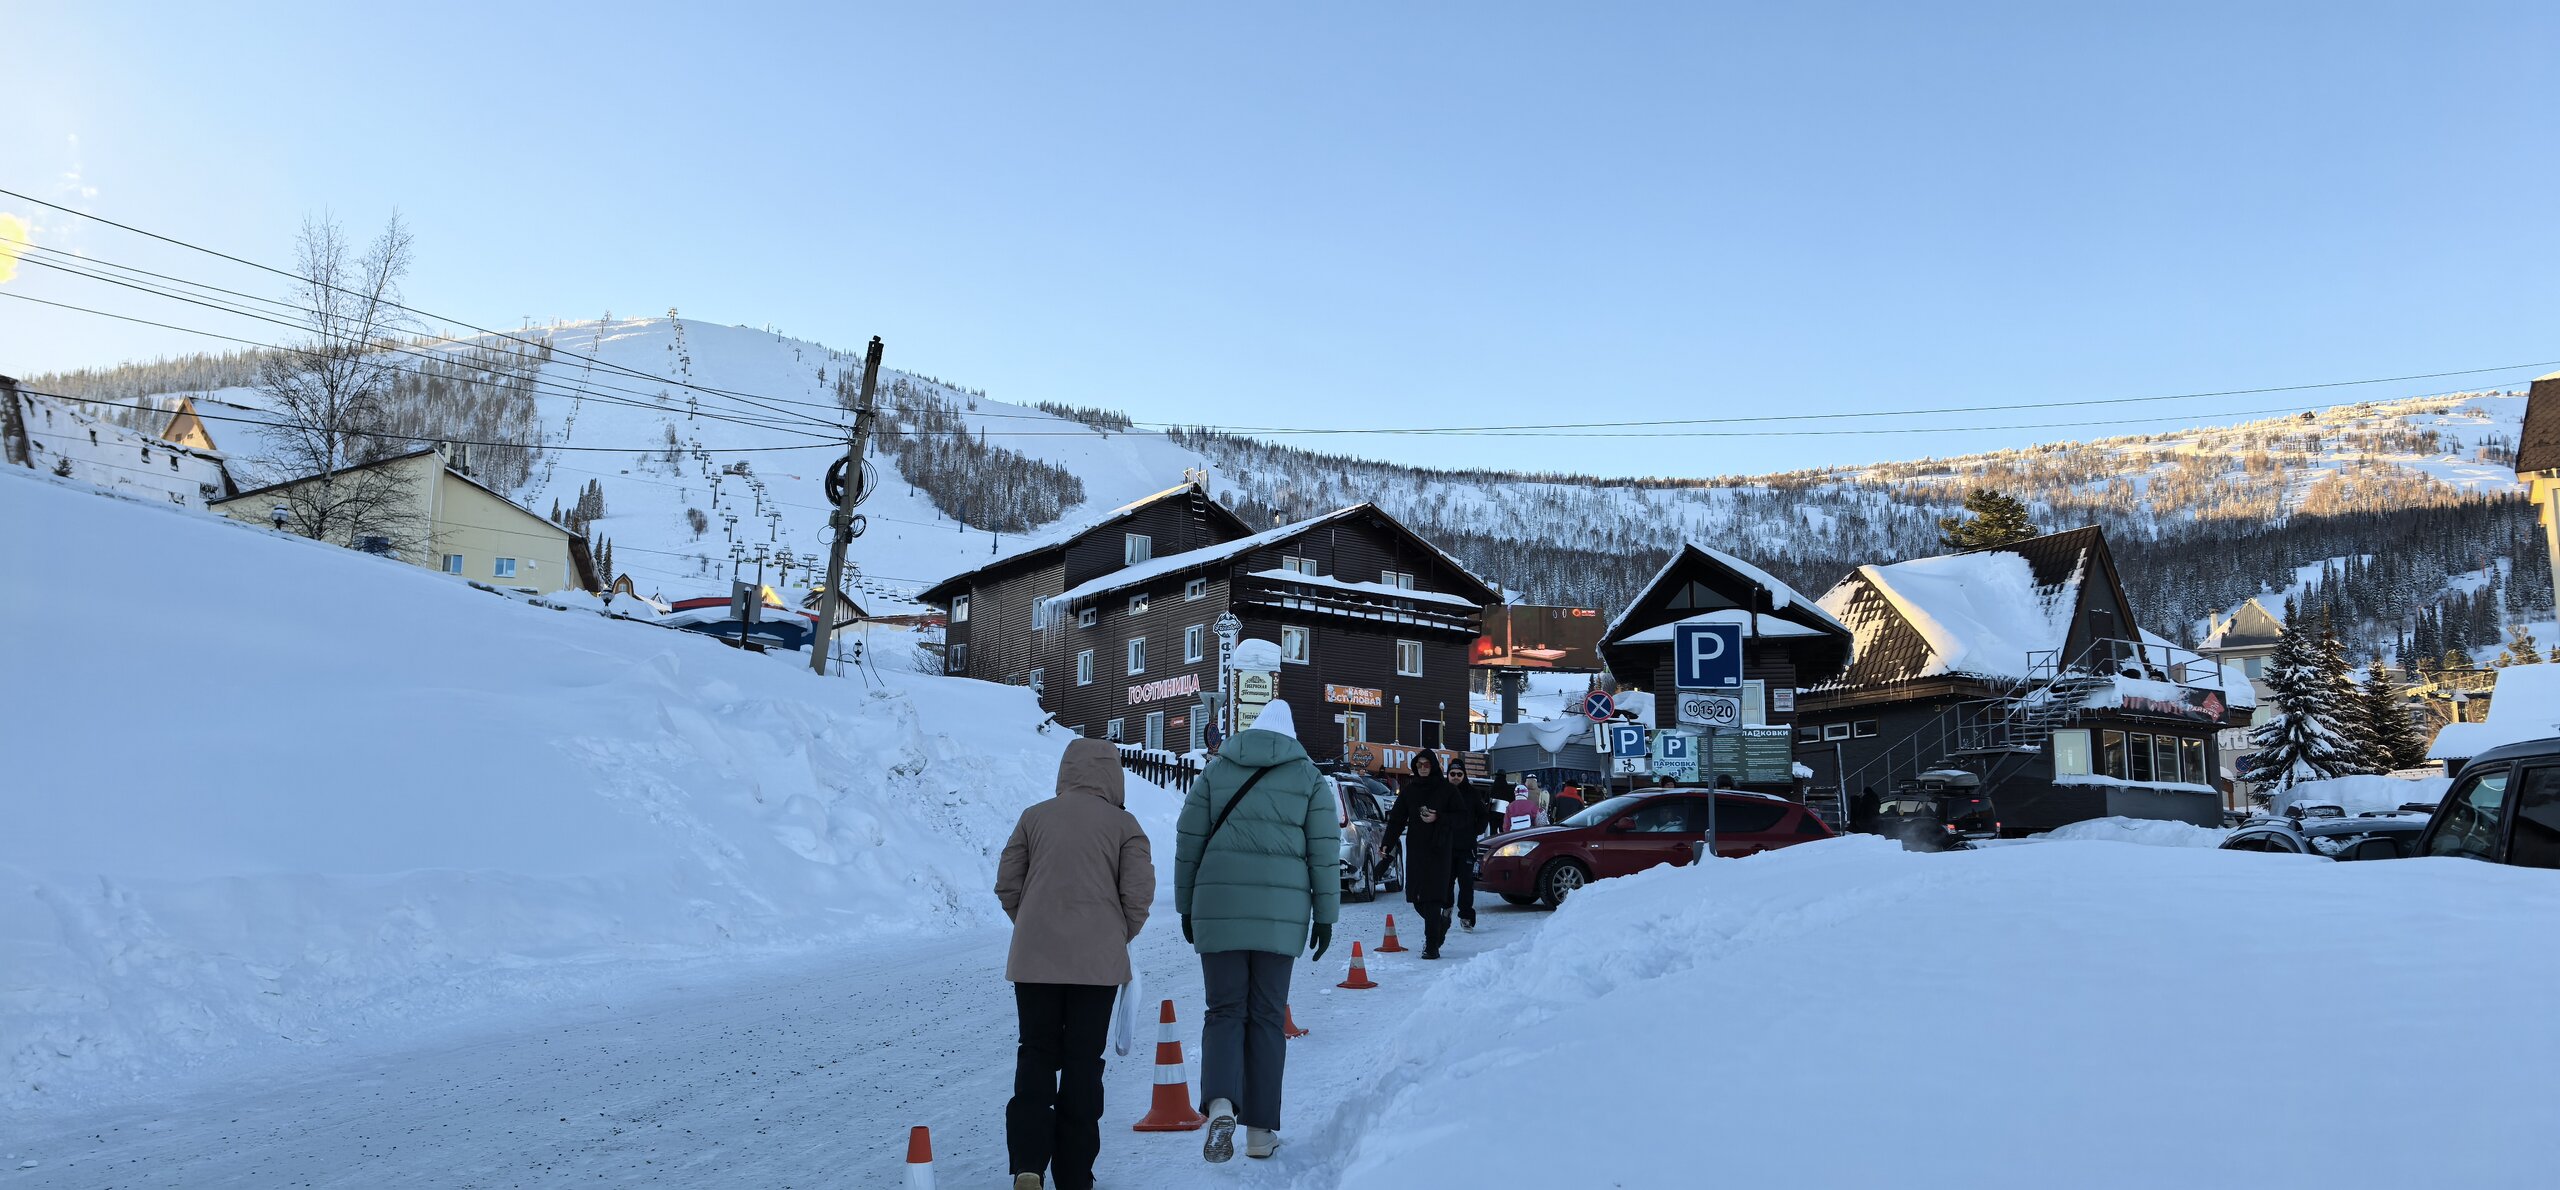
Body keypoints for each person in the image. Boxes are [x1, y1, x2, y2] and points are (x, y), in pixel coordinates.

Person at [1175, 700, 1338, 1164]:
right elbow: (1323, 851)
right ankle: (1260, 1135)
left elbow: (1188, 841)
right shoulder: (1309, 778)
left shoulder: (1216, 770)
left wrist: (1187, 906)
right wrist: (1325, 916)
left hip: (1218, 906)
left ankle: (1221, 1104)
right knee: (1267, 1017)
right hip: (1280, 914)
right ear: (1291, 736)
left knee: (1224, 1010)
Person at [995, 738, 1156, 1190]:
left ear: (1066, 771)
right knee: (1083, 1063)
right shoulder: (1125, 825)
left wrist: (1033, 924)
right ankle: (1074, 1176)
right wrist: (1115, 934)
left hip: (1034, 962)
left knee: (1036, 1054)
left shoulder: (1033, 817)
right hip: (1096, 967)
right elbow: (1138, 894)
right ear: (1114, 776)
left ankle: (1028, 1166)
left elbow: (1008, 883)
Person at [1380, 752, 1475, 958]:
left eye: (1426, 764)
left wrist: (1438, 817)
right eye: (1419, 764)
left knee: (1433, 898)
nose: (1423, 768)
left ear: (1433, 766)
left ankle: (1431, 946)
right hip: (1416, 850)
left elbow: (1462, 817)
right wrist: (1387, 843)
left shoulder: (1447, 790)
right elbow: (1396, 820)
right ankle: (1440, 923)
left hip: (1439, 850)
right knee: (1416, 898)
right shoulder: (1409, 791)